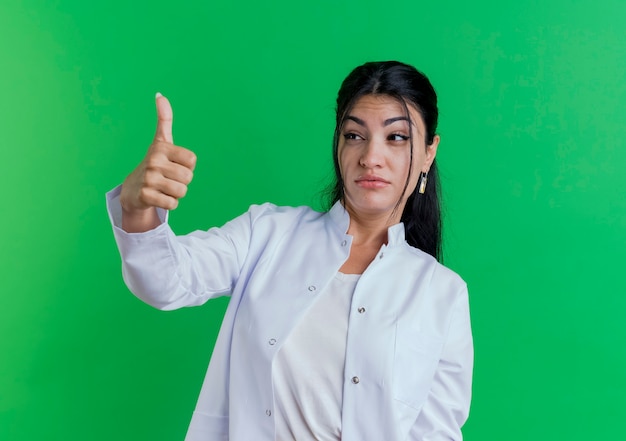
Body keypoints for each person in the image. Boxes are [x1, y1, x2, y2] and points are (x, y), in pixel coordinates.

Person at [107, 61, 473, 440]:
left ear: (429, 152)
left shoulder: (442, 294)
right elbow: (165, 281)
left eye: (396, 137)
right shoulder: (268, 233)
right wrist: (138, 208)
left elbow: (436, 433)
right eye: (354, 135)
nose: (371, 157)